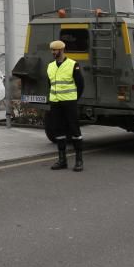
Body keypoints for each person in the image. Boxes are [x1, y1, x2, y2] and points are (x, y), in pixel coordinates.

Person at [47, 40, 85, 172]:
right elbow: (50, 84)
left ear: (62, 50)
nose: (53, 52)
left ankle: (79, 160)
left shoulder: (73, 65)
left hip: (69, 103)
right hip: (55, 103)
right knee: (58, 131)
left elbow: (80, 85)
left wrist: (74, 99)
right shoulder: (50, 66)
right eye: (52, 50)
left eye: (55, 50)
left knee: (75, 131)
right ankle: (62, 160)